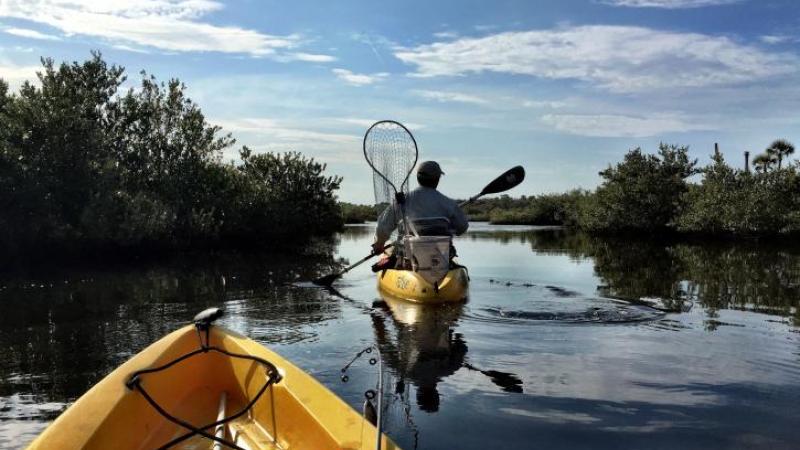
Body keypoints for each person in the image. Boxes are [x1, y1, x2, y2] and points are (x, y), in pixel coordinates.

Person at [372, 161, 468, 255]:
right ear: (438, 179)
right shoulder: (449, 203)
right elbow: (462, 228)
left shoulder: (401, 202)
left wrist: (379, 244)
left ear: (418, 178)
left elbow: (382, 228)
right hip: (440, 257)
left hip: (408, 257)